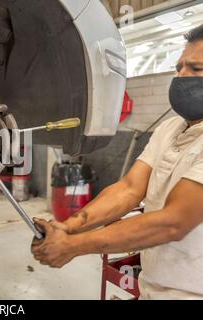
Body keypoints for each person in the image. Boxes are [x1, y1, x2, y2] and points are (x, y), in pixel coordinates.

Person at [31, 24, 203, 299]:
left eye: (195, 70)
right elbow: (129, 189)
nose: (181, 76)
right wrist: (68, 227)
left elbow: (174, 222)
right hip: (153, 286)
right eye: (179, 67)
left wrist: (73, 245)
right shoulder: (170, 128)